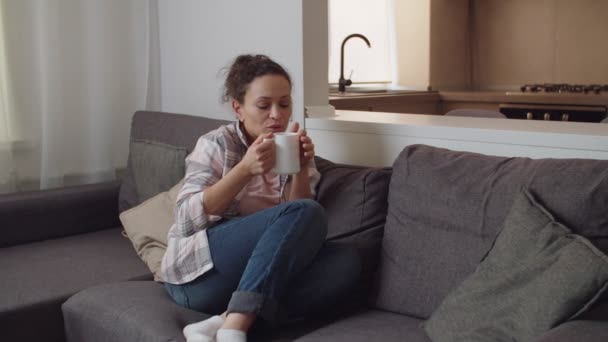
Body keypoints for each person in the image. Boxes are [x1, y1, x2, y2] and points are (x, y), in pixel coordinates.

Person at [160, 54, 361, 342]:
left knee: (345, 262)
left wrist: (301, 170)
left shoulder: (292, 148)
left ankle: (223, 320)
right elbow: (186, 217)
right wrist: (244, 170)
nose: (277, 115)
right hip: (198, 277)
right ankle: (235, 328)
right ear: (238, 108)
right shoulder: (216, 143)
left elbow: (297, 223)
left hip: (251, 277)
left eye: (285, 103)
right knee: (309, 212)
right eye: (264, 105)